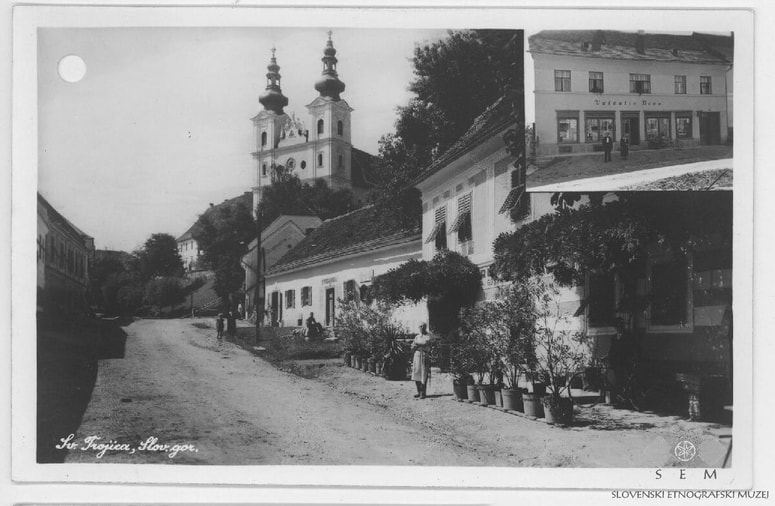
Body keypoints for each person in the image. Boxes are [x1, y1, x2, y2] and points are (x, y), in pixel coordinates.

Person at [411, 323, 432, 399]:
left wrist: (417, 344)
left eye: (423, 326)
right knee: (416, 373)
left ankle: (423, 393)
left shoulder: (428, 336)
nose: (421, 328)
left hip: (424, 355)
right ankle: (418, 391)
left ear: (425, 327)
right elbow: (412, 346)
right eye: (420, 326)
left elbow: (424, 343)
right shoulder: (417, 336)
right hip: (417, 355)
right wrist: (415, 345)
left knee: (424, 373)